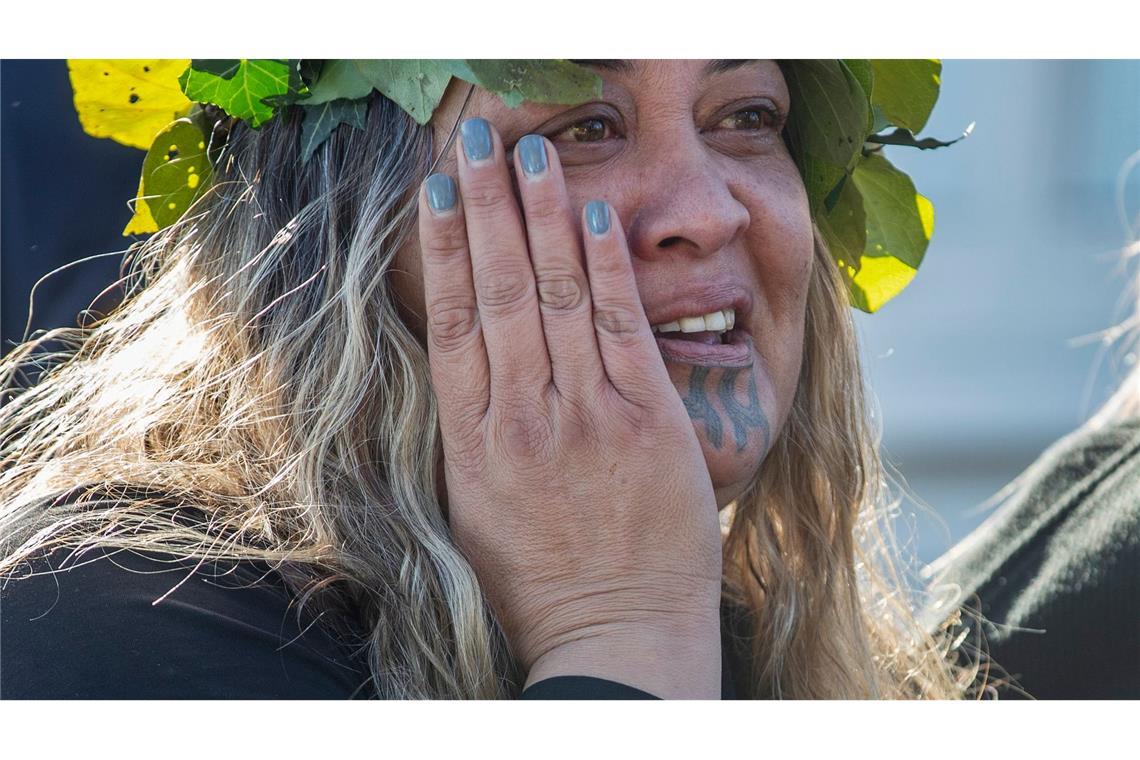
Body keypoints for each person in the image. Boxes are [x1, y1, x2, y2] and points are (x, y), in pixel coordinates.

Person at [0, 60, 975, 699]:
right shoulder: (112, 624)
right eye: (585, 127)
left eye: (748, 117)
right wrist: (623, 633)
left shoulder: (762, 632)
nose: (709, 211)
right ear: (342, 230)